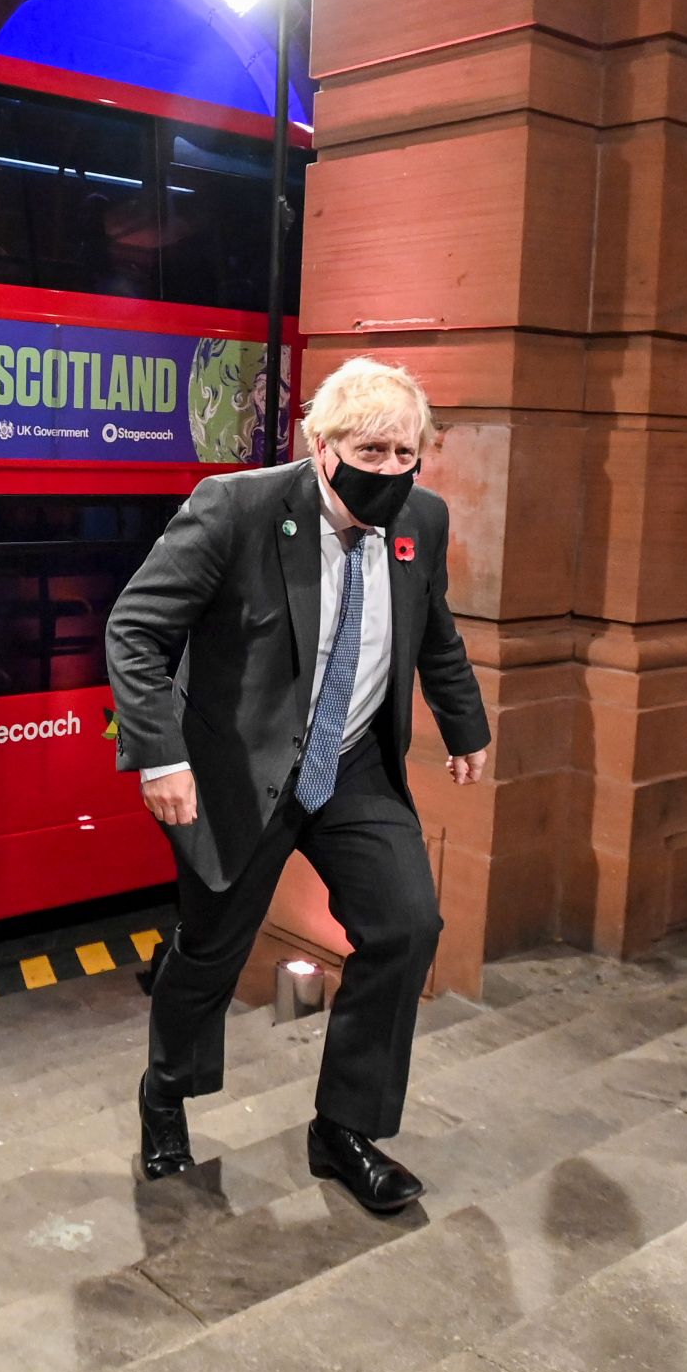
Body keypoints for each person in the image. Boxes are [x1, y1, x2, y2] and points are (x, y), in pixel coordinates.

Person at [105, 356, 491, 1214]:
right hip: (237, 770)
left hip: (351, 762)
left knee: (405, 925)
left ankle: (344, 1129)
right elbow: (134, 629)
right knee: (209, 953)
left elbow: (435, 632)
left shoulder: (420, 521)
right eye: (372, 449)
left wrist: (464, 724)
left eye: (405, 452)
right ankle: (166, 1092)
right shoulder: (236, 509)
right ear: (323, 445)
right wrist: (160, 758)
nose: (391, 468)